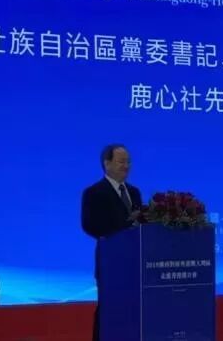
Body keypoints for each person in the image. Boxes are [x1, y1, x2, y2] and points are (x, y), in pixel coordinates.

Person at [81, 144, 142, 341]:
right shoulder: (94, 192)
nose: (126, 166)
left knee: (134, 311)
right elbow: (89, 225)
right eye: (121, 161)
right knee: (108, 311)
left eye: (128, 162)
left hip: (135, 264)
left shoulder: (134, 192)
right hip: (111, 263)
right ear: (107, 164)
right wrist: (125, 224)